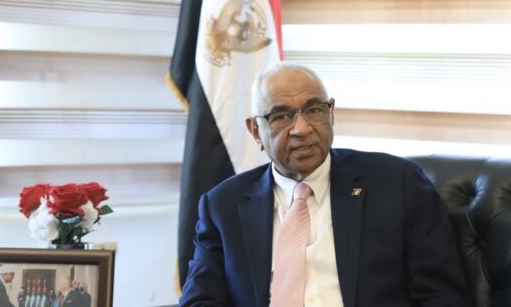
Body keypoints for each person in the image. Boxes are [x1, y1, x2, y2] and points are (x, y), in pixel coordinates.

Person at [179, 62, 471, 306]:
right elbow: (200, 300)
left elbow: (442, 296)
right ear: (256, 131)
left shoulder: (397, 184)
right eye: (281, 116)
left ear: (331, 112)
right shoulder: (223, 206)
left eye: (314, 109)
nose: (302, 128)